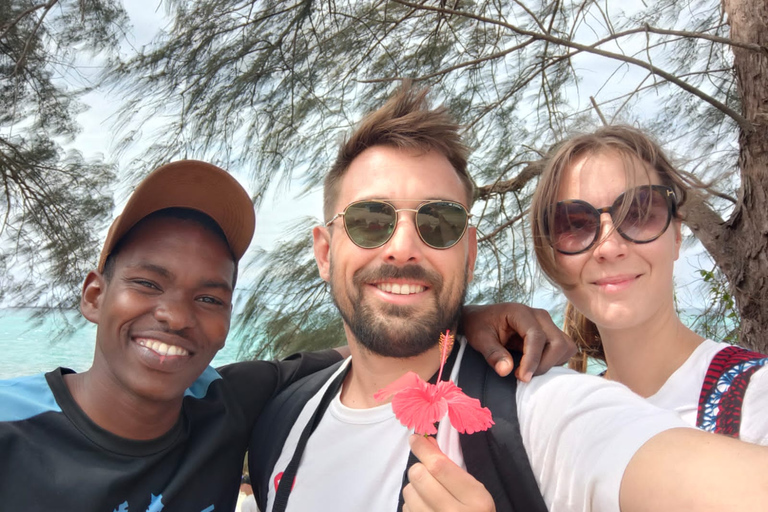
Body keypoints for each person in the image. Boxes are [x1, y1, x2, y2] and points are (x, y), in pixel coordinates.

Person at [248, 84, 768, 512]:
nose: (404, 246)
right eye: (368, 221)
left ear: (469, 251)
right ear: (323, 250)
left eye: (439, 222)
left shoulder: (540, 409)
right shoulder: (278, 416)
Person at [0, 160, 569, 510]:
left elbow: (375, 349)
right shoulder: (12, 429)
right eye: (148, 283)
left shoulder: (230, 403)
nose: (175, 316)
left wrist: (455, 312)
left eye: (208, 298)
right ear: (95, 295)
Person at [530, 125, 768, 444]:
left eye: (640, 213)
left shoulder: (756, 400)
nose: (609, 247)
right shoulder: (557, 422)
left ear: (677, 233)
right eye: (574, 224)